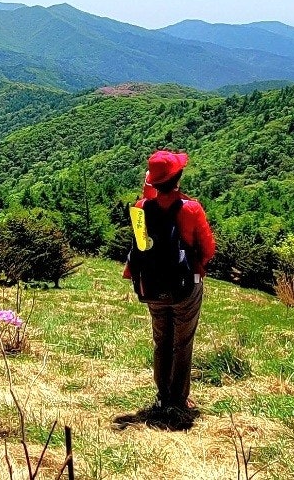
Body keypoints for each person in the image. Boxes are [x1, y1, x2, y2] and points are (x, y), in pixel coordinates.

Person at [125, 149, 215, 415]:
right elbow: (208, 248)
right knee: (182, 342)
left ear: (152, 182)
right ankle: (178, 399)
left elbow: (141, 243)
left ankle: (163, 396)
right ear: (179, 177)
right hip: (184, 287)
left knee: (161, 341)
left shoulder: (141, 209)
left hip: (151, 287)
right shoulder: (191, 208)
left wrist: (148, 188)